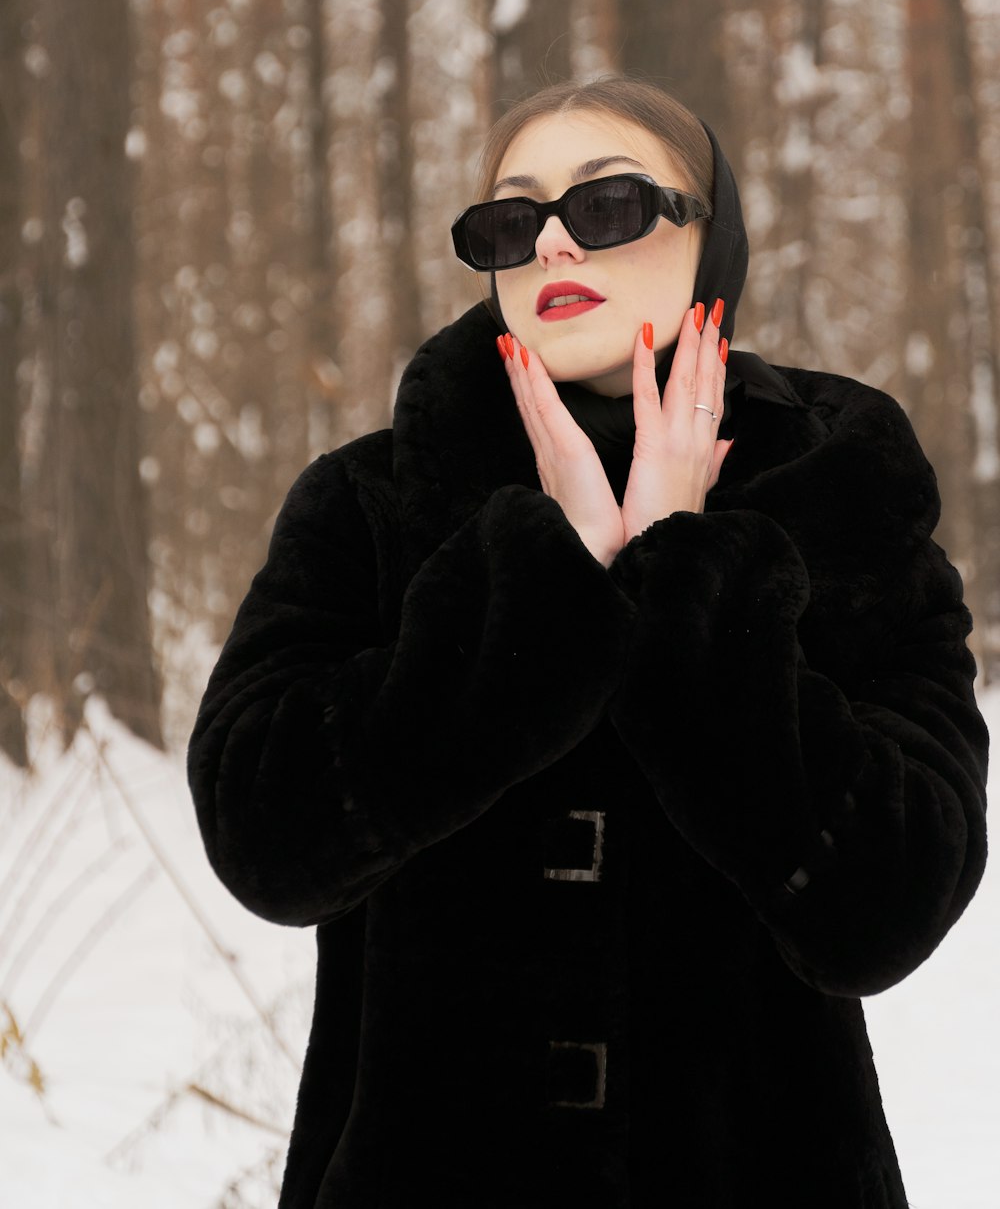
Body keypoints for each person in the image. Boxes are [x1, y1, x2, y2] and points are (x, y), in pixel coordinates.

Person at [187, 76, 989, 1208]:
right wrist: (543, 577)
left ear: (715, 239)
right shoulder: (371, 504)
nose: (553, 245)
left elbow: (885, 906)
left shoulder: (841, 494)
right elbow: (264, 834)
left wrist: (681, 571)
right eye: (511, 223)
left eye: (607, 207)